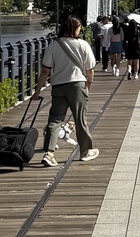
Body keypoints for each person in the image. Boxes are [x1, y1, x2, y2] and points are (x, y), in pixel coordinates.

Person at [33, 15, 101, 166]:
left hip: (58, 86)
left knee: (55, 119)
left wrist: (37, 91)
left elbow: (45, 70)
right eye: (78, 28)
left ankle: (49, 153)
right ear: (74, 29)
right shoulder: (83, 45)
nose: (80, 30)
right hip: (77, 85)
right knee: (80, 119)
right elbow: (90, 70)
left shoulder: (54, 45)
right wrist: (88, 85)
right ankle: (85, 151)